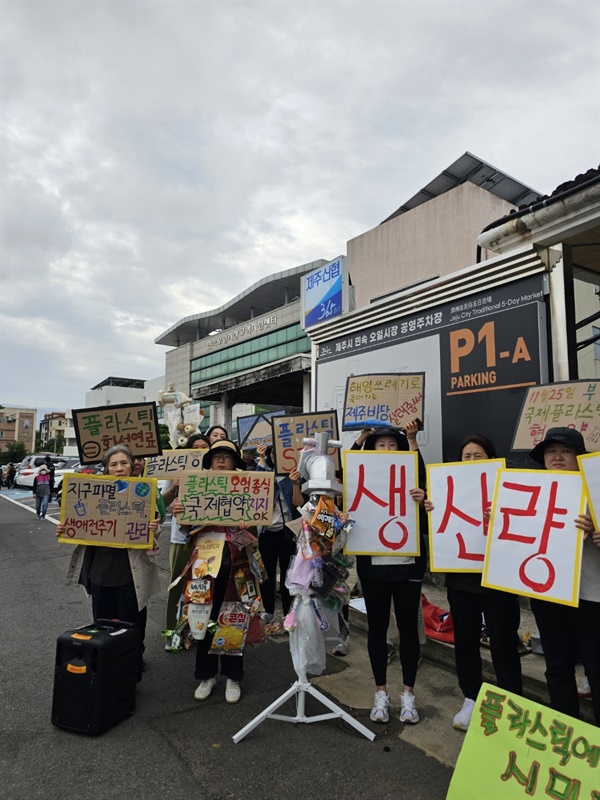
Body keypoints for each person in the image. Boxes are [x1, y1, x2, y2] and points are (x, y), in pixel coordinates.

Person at [424, 434, 522, 731]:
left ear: (491, 458)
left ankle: (511, 702)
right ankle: (471, 697)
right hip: (461, 579)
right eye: (466, 456)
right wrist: (433, 510)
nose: (471, 460)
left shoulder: (509, 489)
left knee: (504, 642)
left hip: (498, 578)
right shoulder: (448, 490)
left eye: (477, 455)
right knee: (465, 640)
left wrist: (504, 516)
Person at [57, 445, 161, 679]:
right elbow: (78, 525)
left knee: (133, 626)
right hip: (100, 574)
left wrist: (153, 530)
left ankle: (132, 668)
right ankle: (107, 668)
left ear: (133, 465)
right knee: (102, 627)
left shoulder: (144, 493)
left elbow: (155, 539)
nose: (119, 468)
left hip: (131, 576)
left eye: (124, 462)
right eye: (113, 464)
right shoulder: (92, 493)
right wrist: (66, 528)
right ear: (106, 469)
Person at [172, 439, 254, 704]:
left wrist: (248, 525)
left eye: (226, 457)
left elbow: (255, 533)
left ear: (234, 462)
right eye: (216, 456)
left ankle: (233, 676)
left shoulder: (247, 489)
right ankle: (206, 674)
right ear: (209, 462)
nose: (221, 460)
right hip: (204, 564)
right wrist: (180, 513)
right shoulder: (195, 487)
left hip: (236, 561)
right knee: (201, 615)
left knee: (234, 618)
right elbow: (186, 527)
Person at [354, 423, 426, 725]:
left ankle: (408, 693)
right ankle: (380, 691)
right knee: (377, 628)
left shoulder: (414, 481)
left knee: (408, 628)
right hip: (372, 563)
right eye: (379, 445)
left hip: (407, 561)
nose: (386, 450)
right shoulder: (360, 481)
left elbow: (423, 480)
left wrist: (424, 500)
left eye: (392, 445)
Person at [528, 427, 600, 726]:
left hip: (592, 595)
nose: (557, 457)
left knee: (596, 669)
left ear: (579, 457)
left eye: (566, 451)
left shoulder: (596, 488)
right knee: (557, 667)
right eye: (550, 451)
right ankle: (568, 737)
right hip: (549, 594)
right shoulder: (529, 491)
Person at [162, 432, 211, 637]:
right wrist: (175, 488)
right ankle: (172, 631)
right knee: (178, 584)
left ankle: (198, 628)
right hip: (182, 538)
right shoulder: (177, 472)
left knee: (202, 585)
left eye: (204, 447)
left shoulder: (216, 473)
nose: (200, 451)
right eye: (196, 447)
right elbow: (162, 506)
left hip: (208, 539)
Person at [254, 444, 301, 621]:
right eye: (272, 452)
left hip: (287, 532)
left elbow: (297, 503)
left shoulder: (293, 475)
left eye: (279, 452)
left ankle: (290, 612)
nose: (275, 456)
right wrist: (261, 459)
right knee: (267, 574)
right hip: (266, 533)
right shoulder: (264, 473)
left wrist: (294, 483)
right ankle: (269, 610)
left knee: (288, 574)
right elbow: (257, 484)